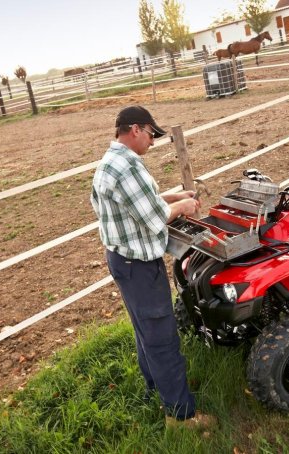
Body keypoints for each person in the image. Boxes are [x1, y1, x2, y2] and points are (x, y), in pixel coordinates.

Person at [90, 105, 216, 430]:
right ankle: (181, 416)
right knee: (162, 338)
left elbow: (135, 204)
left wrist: (172, 196)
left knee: (144, 331)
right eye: (150, 134)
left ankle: (155, 390)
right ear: (135, 129)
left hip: (122, 261)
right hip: (141, 267)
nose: (153, 141)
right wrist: (183, 205)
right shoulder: (128, 167)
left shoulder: (110, 161)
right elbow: (154, 217)